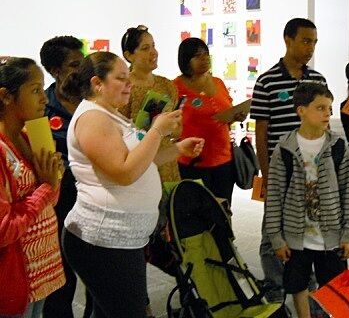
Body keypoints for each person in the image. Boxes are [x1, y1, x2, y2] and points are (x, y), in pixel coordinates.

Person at [61, 52, 204, 318]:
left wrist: (176, 150)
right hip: (103, 241)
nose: (129, 84)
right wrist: (157, 131)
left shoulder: (110, 114)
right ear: (97, 83)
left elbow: (141, 160)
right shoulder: (93, 119)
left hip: (123, 239)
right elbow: (123, 173)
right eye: (121, 78)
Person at [250, 18, 327, 300]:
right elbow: (261, 131)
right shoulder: (267, 81)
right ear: (288, 39)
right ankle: (275, 287)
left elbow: (325, 126)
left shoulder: (318, 79)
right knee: (273, 234)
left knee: (313, 230)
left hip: (314, 174)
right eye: (306, 41)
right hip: (281, 173)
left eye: (314, 42)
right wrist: (267, 174)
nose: (310, 48)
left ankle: (308, 286)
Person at [265, 82, 349, 318]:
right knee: (297, 283)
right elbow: (274, 195)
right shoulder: (284, 148)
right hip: (296, 238)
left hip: (331, 235)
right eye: (320, 108)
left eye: (329, 108)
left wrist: (348, 233)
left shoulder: (337, 146)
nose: (328, 113)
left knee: (333, 286)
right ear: (301, 110)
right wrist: (276, 237)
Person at [120, 25, 182, 317]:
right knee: (142, 240)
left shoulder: (168, 85)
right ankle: (140, 302)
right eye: (144, 47)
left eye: (154, 45)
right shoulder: (125, 86)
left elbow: (177, 124)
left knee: (170, 233)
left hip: (168, 163)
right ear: (129, 54)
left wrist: (173, 128)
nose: (152, 52)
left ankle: (186, 291)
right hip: (140, 164)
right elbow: (120, 130)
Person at [0, 57, 65, 317]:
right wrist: (47, 186)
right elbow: (4, 229)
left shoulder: (31, 137)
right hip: (15, 277)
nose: (45, 99)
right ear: (6, 96)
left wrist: (52, 179)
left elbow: (51, 200)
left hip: (40, 273)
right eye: (35, 90)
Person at [39, 36, 93, 318]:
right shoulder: (41, 110)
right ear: (56, 71)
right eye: (75, 64)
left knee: (99, 274)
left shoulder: (95, 100)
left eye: (83, 61)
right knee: (62, 275)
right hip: (62, 202)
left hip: (97, 201)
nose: (83, 68)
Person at [174, 37, 245, 205]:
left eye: (206, 54)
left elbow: (225, 116)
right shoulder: (175, 87)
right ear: (186, 60)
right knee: (196, 214)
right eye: (198, 55)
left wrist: (235, 116)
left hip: (224, 160)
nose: (205, 58)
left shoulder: (218, 82)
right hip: (192, 162)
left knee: (223, 210)